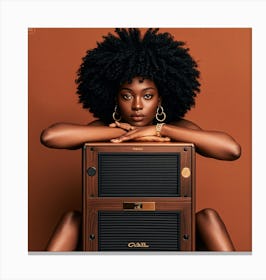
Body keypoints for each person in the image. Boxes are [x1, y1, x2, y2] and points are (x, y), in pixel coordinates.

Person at [40, 28, 241, 252]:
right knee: (72, 218)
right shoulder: (104, 129)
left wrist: (160, 129)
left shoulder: (178, 129)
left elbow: (231, 150)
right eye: (127, 95)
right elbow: (50, 136)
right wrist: (121, 133)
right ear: (115, 98)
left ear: (160, 98)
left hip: (169, 227)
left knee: (208, 217)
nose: (137, 105)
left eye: (147, 96)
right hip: (111, 227)